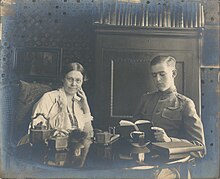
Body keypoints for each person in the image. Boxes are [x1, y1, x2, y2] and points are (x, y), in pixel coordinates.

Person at [134, 55, 206, 157]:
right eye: (154, 75)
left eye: (162, 74)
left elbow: (200, 148)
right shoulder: (146, 99)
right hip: (143, 161)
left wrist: (169, 140)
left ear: (173, 73)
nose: (158, 79)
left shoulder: (185, 104)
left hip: (172, 166)